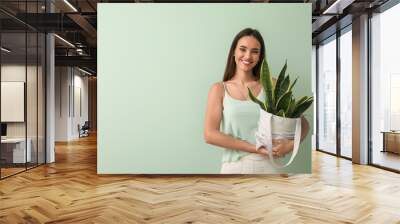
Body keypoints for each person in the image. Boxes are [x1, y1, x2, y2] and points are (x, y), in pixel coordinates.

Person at [203, 28, 309, 174]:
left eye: (254, 51)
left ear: (260, 56)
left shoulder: (272, 85)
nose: (248, 56)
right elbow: (210, 134)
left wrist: (290, 145)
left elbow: (303, 124)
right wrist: (254, 148)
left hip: (269, 165)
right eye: (243, 49)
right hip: (234, 166)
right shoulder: (219, 89)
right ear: (234, 52)